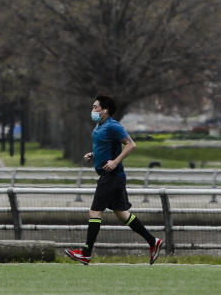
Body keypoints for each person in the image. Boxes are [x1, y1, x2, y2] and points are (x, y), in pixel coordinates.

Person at [65, 94, 163, 266]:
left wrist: (115, 162)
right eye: (93, 107)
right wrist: (94, 155)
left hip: (111, 177)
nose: (93, 110)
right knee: (122, 214)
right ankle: (152, 241)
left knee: (94, 213)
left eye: (95, 107)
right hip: (114, 178)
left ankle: (86, 254)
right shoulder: (99, 126)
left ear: (105, 110)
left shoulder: (113, 126)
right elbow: (106, 147)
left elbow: (131, 144)